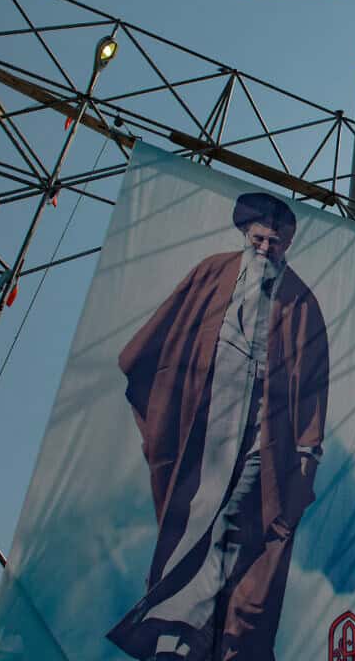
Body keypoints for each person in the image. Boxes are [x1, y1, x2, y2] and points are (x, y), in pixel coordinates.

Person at [107, 193, 329, 661]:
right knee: (194, 518)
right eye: (259, 238)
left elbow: (312, 382)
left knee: (234, 521)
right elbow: (165, 338)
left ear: (287, 244)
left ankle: (191, 631)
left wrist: (306, 450)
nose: (266, 247)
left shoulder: (301, 301)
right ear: (247, 236)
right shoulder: (214, 272)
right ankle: (177, 633)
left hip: (263, 436)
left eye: (275, 241)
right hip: (207, 424)